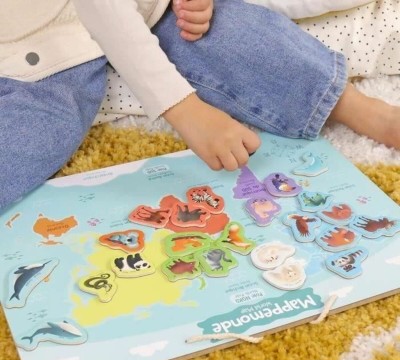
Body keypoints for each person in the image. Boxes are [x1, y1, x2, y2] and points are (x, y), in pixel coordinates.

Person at [0, 0, 399, 213]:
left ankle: (358, 108)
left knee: (237, 33)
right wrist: (184, 108)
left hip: (153, 11)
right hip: (36, 46)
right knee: (38, 131)